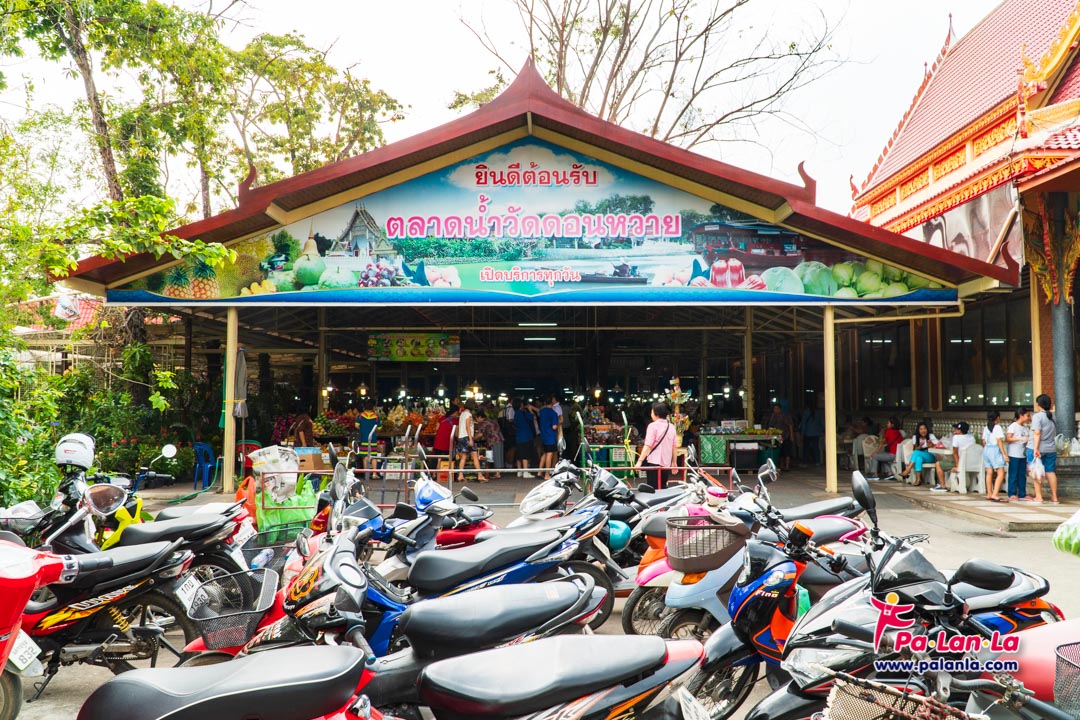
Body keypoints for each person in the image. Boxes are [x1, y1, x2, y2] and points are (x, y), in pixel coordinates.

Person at [634, 401, 676, 490]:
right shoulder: (671, 427)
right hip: (666, 463)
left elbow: (648, 445)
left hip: (653, 462)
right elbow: (674, 447)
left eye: (652, 412)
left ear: (656, 413)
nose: (651, 414)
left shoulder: (652, 426)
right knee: (663, 486)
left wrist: (640, 461)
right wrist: (674, 462)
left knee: (653, 488)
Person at [1027, 393, 1060, 504]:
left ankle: (1039, 496)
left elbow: (1037, 433)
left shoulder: (1037, 416)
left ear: (1038, 404)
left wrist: (1036, 449)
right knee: (1050, 472)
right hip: (1051, 448)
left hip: (1037, 448)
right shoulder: (1052, 416)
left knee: (1036, 470)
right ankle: (1055, 497)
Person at [899, 421, 946, 491]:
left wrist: (932, 445)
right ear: (918, 430)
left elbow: (938, 446)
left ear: (927, 429)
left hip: (930, 456)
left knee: (916, 453)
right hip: (920, 454)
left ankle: (907, 470)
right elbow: (915, 448)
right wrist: (920, 446)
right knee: (918, 458)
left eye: (924, 429)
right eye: (921, 429)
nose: (923, 431)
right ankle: (918, 480)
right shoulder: (915, 437)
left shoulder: (931, 436)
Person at [455, 400, 488, 482]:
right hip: (467, 437)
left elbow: (461, 426)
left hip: (461, 437)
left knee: (464, 456)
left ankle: (460, 475)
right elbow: (467, 427)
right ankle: (480, 475)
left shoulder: (462, 414)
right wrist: (470, 439)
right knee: (475, 456)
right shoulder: (469, 415)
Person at [1005, 407, 1031, 501]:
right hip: (1014, 454)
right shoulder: (1013, 426)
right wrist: (1020, 439)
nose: (1029, 417)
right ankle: (1012, 493)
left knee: (1022, 474)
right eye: (1027, 415)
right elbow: (1008, 438)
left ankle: (1022, 494)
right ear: (1021, 415)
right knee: (1013, 474)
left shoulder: (1024, 427)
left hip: (1023, 454)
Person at [866, 416, 903, 480]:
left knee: (875, 456)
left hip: (892, 455)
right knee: (882, 457)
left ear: (892, 425)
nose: (887, 424)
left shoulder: (889, 431)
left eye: (888, 423)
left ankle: (874, 474)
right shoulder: (899, 432)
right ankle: (890, 473)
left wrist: (876, 452)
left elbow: (882, 442)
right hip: (898, 455)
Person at [982, 412, 1007, 501]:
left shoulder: (985, 428)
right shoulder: (997, 427)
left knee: (989, 472)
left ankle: (989, 493)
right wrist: (1004, 454)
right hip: (995, 450)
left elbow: (983, 441)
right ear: (997, 418)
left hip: (986, 450)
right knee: (1001, 472)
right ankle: (995, 494)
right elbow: (999, 441)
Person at [475, 408, 504, 479]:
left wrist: (472, 438)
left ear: (480, 417)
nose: (476, 420)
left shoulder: (484, 423)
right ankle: (498, 472)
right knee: (499, 455)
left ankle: (498, 474)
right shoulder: (491, 420)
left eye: (476, 418)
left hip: (494, 440)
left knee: (496, 456)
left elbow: (480, 434)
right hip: (500, 438)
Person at [765, 403, 795, 471]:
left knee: (787, 451)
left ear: (780, 409)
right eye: (774, 409)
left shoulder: (785, 416)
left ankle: (787, 466)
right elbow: (770, 425)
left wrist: (791, 435)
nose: (775, 410)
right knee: (780, 451)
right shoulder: (773, 416)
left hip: (785, 435)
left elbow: (790, 425)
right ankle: (781, 465)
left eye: (777, 409)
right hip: (776, 436)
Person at [355, 399, 380, 478]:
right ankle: (374, 474)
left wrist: (362, 429)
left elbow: (356, 425)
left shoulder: (361, 416)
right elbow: (379, 428)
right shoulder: (376, 417)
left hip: (363, 438)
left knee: (365, 456)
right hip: (372, 438)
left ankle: (366, 473)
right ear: (373, 407)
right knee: (373, 456)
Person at [513, 398, 538, 478]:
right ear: (521, 405)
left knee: (519, 454)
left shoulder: (515, 414)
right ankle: (526, 472)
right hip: (526, 436)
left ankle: (519, 471)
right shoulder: (523, 413)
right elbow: (532, 417)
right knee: (525, 455)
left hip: (519, 436)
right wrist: (530, 410)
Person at [538, 398, 560, 475]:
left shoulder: (542, 412)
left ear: (544, 403)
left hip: (543, 436)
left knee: (544, 453)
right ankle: (547, 474)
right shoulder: (553, 413)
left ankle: (539, 472)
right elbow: (554, 427)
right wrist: (559, 423)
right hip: (550, 437)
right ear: (552, 403)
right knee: (549, 454)